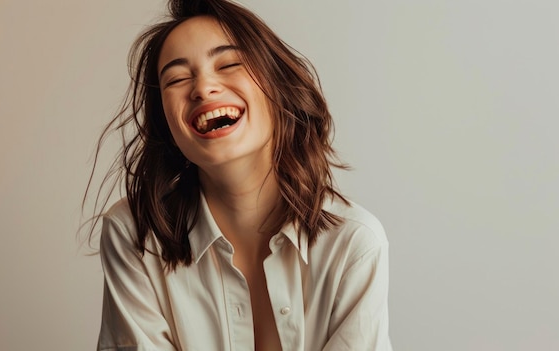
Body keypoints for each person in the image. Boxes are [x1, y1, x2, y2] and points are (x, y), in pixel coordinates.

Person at [88, 0, 393, 350]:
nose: (203, 88)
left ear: (278, 87)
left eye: (229, 63)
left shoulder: (355, 243)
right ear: (166, 124)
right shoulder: (134, 235)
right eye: (176, 78)